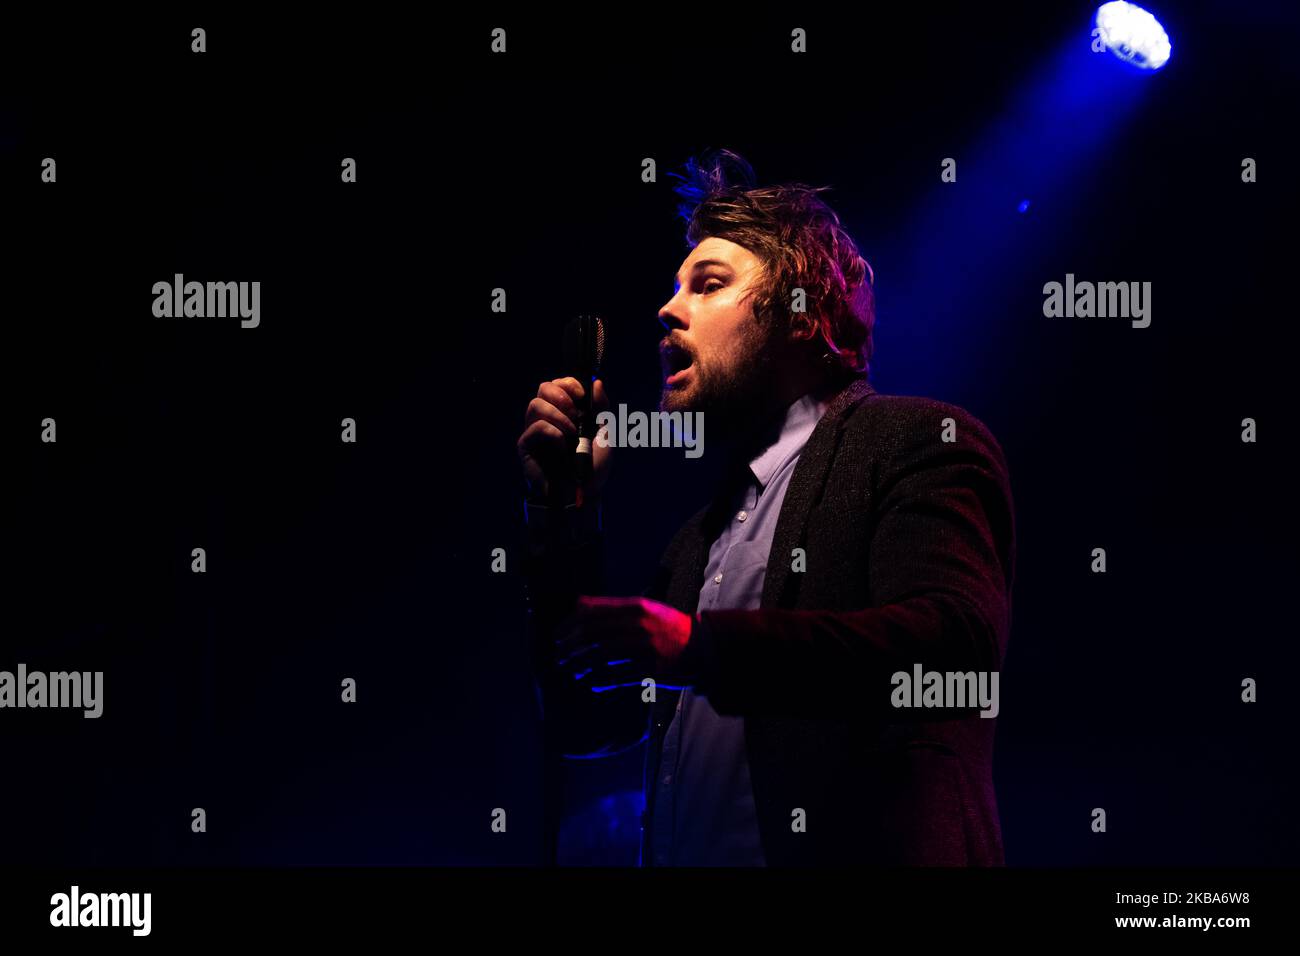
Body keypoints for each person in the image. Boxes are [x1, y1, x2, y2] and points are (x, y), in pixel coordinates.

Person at [517, 150, 1016, 866]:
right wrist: (560, 513)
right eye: (674, 288)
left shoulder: (915, 442)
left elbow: (952, 649)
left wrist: (700, 648)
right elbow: (585, 723)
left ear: (800, 311)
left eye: (708, 284)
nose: (666, 309)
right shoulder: (699, 540)